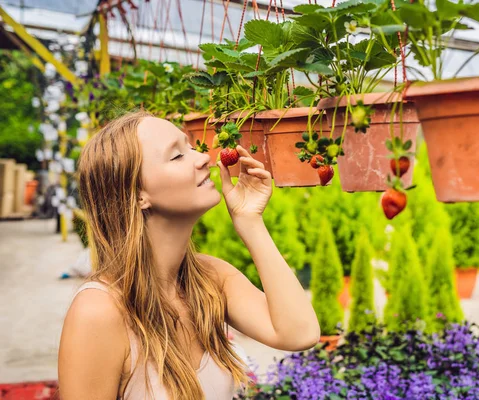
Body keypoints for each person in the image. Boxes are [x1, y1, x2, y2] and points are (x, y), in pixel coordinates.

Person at [58, 111, 320, 399]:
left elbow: (300, 333)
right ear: (138, 194)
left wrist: (250, 222)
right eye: (177, 156)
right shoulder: (98, 311)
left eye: (190, 146)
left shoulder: (211, 278)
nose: (203, 158)